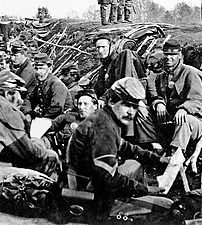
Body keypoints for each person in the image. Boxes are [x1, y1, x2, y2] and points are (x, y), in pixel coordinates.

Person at [67, 77, 169, 218]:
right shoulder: (103, 127)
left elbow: (125, 146)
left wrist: (157, 159)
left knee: (134, 164)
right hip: (88, 192)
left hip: (90, 180)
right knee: (164, 207)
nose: (131, 112)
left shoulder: (106, 117)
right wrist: (144, 189)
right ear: (111, 101)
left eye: (134, 106)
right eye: (126, 105)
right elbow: (107, 178)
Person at [149, 40, 202, 160]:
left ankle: (173, 157)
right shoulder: (163, 75)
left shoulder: (190, 72)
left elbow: (199, 100)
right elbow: (157, 95)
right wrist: (158, 103)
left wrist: (184, 109)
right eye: (166, 54)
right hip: (172, 119)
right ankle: (154, 148)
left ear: (180, 56)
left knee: (183, 119)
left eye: (173, 55)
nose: (169, 58)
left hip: (197, 121)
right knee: (142, 111)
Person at [22, 53, 72, 120]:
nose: (38, 72)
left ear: (50, 69)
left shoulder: (56, 85)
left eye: (42, 68)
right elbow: (28, 99)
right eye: (36, 68)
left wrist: (40, 119)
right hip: (47, 119)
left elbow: (57, 109)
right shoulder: (41, 84)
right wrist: (28, 113)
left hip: (60, 121)